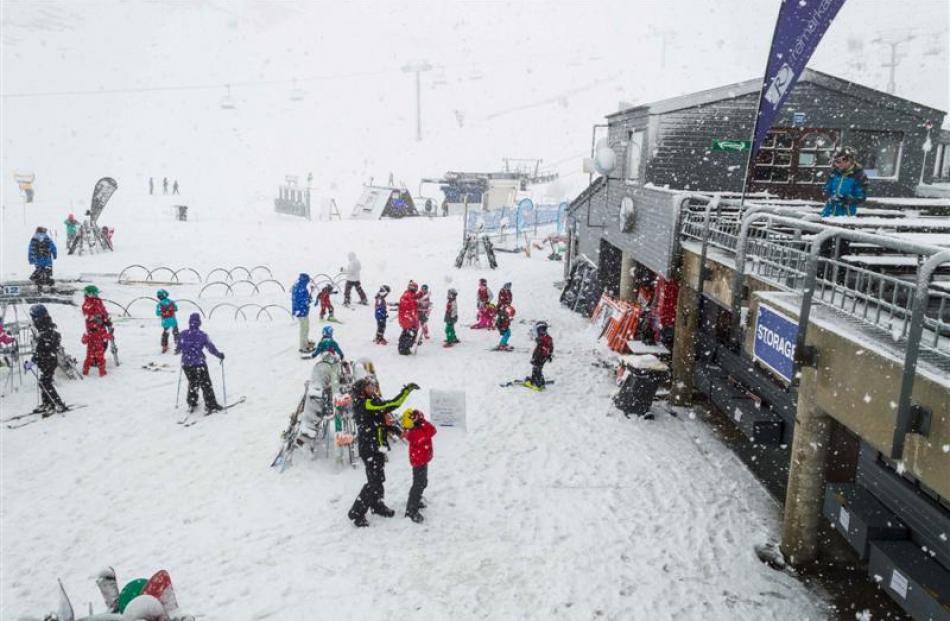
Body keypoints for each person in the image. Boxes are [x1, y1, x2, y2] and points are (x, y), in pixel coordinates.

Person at [347, 377, 418, 527]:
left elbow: (380, 422)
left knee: (379, 479)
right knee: (373, 482)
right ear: (362, 390)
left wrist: (397, 431)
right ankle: (357, 513)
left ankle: (377, 504)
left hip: (377, 446)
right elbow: (392, 404)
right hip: (369, 448)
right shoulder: (365, 403)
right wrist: (406, 391)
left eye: (373, 386)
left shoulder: (372, 400)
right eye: (368, 386)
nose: (372, 388)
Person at [175, 313, 225, 413]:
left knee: (193, 382)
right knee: (206, 384)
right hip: (199, 363)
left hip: (186, 364)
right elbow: (211, 348)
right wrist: (219, 355)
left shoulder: (183, 334)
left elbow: (178, 348)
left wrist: (182, 348)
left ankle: (191, 402)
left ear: (189, 322)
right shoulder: (202, 335)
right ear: (199, 323)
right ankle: (211, 405)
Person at [26, 305, 67, 413]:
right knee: (44, 382)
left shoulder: (46, 328)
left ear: (39, 317)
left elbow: (47, 346)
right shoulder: (42, 327)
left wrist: (37, 357)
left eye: (34, 317)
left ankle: (58, 404)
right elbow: (39, 349)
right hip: (44, 361)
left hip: (49, 360)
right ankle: (47, 403)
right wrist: (33, 361)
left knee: (45, 382)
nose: (33, 319)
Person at [401, 408, 437, 523]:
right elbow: (431, 431)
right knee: (418, 484)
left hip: (422, 460)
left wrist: (421, 421)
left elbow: (432, 430)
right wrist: (422, 422)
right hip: (419, 462)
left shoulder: (418, 428)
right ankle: (411, 510)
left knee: (422, 483)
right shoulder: (413, 433)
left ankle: (416, 500)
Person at [822, 146, 868, 217]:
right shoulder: (834, 173)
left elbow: (861, 197)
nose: (838, 164)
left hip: (847, 214)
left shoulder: (858, 175)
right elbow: (826, 189)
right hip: (829, 212)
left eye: (840, 161)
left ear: (850, 160)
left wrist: (847, 199)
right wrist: (830, 197)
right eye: (836, 161)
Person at [27, 227, 57, 292]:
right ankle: (50, 284)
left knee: (39, 270)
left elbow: (31, 249)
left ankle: (38, 284)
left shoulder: (34, 238)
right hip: (47, 258)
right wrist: (54, 254)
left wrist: (31, 259)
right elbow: (53, 246)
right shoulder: (47, 238)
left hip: (38, 259)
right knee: (47, 271)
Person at [527, 321, 554, 390]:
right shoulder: (548, 338)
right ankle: (540, 381)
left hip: (539, 357)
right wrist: (549, 355)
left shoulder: (541, 339)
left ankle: (536, 383)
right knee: (538, 369)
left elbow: (539, 349)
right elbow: (551, 347)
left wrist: (534, 359)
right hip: (543, 357)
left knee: (536, 369)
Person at [291, 273, 314, 353]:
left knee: (306, 328)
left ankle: (306, 343)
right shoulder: (300, 288)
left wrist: (309, 297)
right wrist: (308, 300)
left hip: (302, 311)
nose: (308, 283)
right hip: (301, 311)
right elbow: (302, 300)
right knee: (304, 329)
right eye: (307, 281)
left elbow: (304, 298)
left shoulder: (299, 286)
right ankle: (303, 347)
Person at [397, 281, 420, 355]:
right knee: (410, 333)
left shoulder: (408, 294)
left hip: (405, 318)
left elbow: (413, 301)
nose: (415, 290)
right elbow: (411, 308)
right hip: (408, 319)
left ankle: (402, 347)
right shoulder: (408, 296)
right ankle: (404, 349)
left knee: (406, 332)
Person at [155, 289, 179, 353]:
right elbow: (176, 309)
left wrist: (164, 313)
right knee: (176, 333)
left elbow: (157, 313)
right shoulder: (171, 302)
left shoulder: (159, 304)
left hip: (165, 322)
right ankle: (178, 345)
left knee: (165, 334)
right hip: (173, 321)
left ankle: (164, 347)